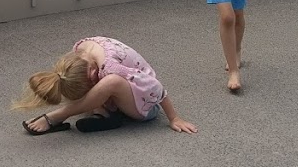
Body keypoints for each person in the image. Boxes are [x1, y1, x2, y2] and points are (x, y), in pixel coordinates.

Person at [14, 36, 197, 135]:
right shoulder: (81, 50)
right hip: (122, 95)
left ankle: (59, 116)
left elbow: (156, 88)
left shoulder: (111, 68)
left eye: (91, 86)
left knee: (111, 82)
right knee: (105, 82)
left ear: (93, 74)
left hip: (147, 104)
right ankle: (104, 114)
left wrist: (174, 118)